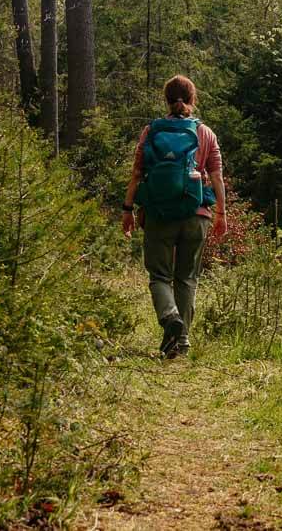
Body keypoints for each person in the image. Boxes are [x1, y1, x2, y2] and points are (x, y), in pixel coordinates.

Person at [121, 75, 227, 358]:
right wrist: (221, 214)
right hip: (197, 213)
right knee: (187, 278)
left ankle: (170, 318)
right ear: (192, 100)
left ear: (166, 99)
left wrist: (127, 209)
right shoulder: (205, 133)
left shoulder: (152, 131)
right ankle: (182, 342)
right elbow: (216, 177)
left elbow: (136, 174)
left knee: (159, 275)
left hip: (158, 214)